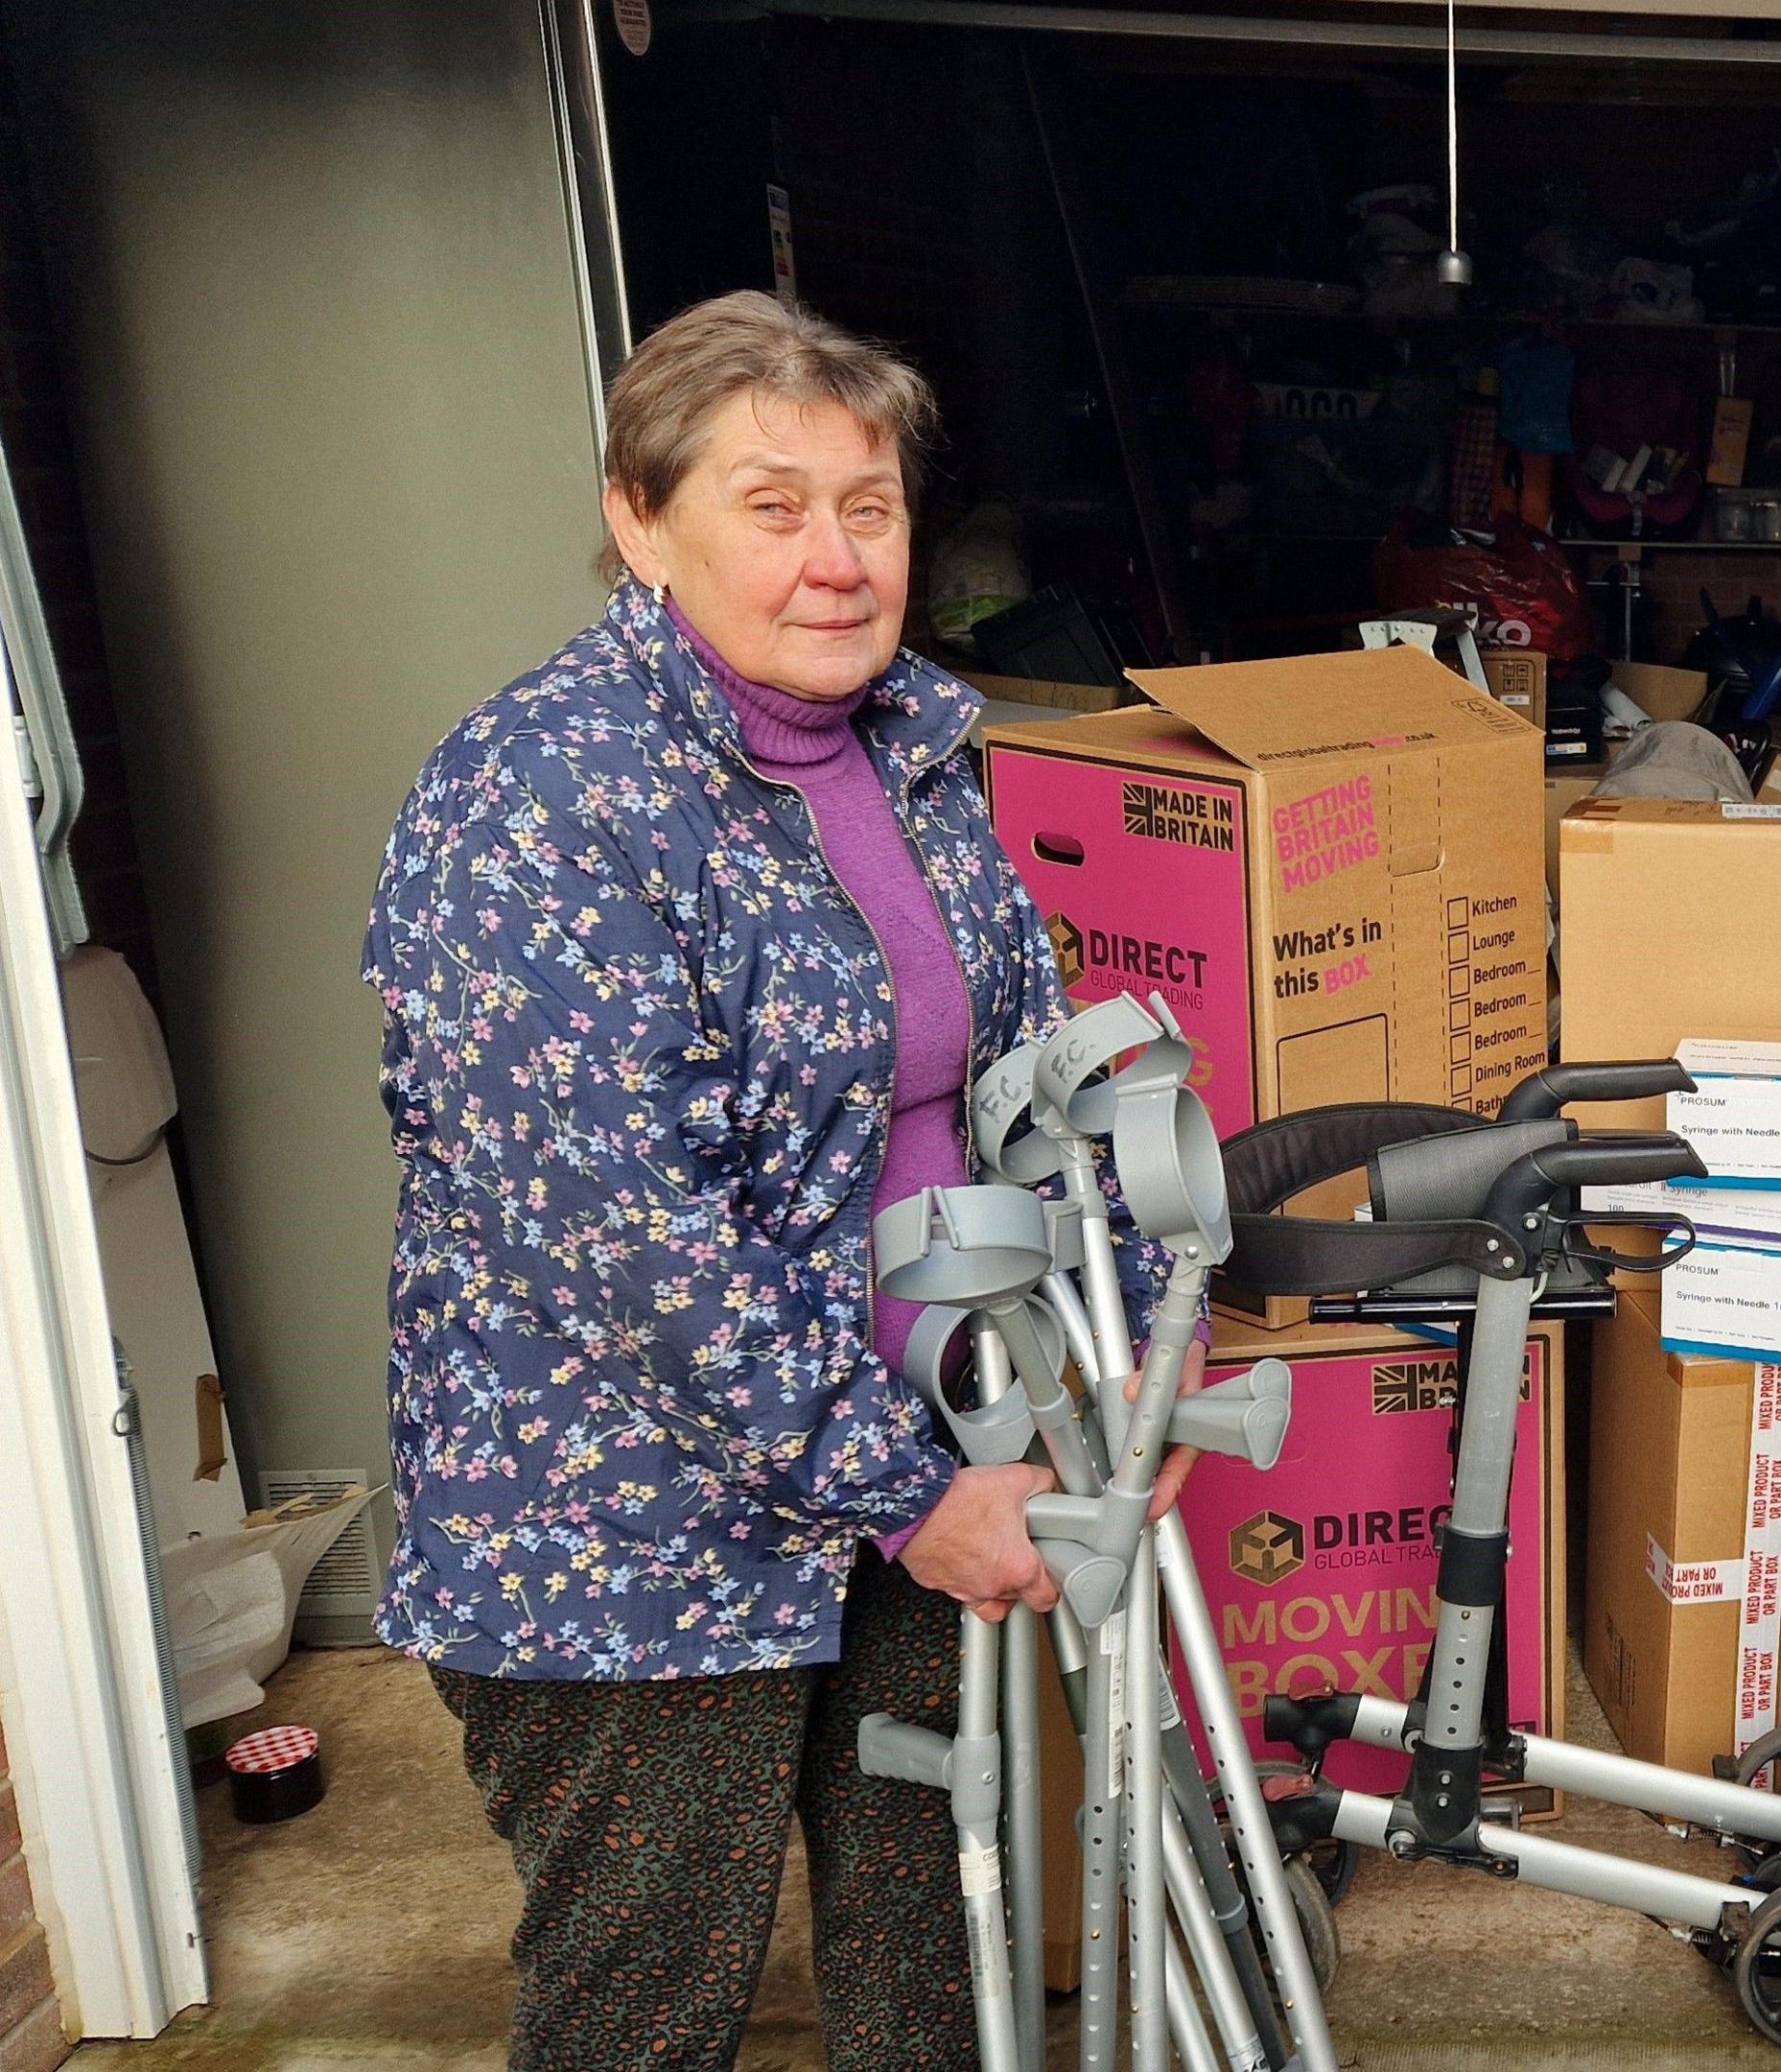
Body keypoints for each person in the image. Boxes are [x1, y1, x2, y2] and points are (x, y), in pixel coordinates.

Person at [364, 291, 1185, 2069]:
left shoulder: (915, 751)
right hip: (633, 1532)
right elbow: (632, 1236)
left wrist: (1119, 1362)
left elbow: (1030, 1079)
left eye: (869, 506)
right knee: (643, 2001)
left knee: (937, 1926)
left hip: (921, 1460)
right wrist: (905, 1489)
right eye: (772, 503)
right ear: (638, 519)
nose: (835, 559)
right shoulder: (539, 798)